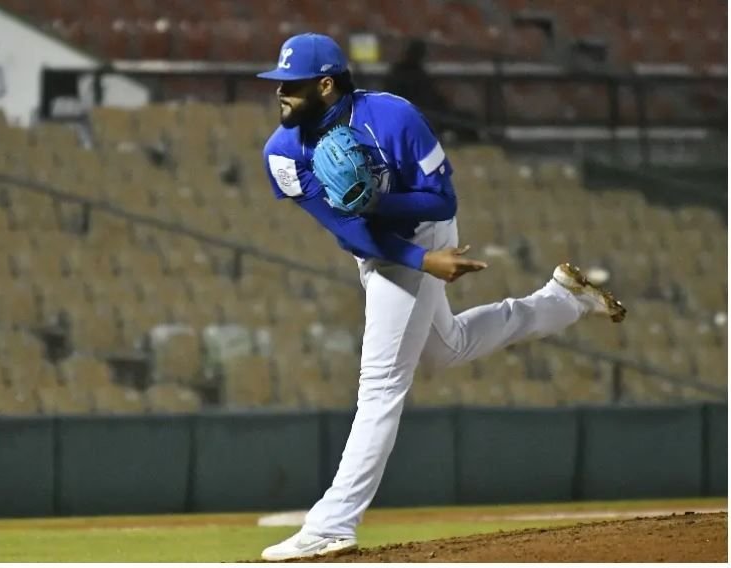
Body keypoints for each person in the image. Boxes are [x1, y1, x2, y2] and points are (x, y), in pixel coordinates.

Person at [256, 33, 626, 561]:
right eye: (277, 84)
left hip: (427, 231)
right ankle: (562, 301)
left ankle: (332, 524)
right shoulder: (282, 154)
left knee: (382, 383)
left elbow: (441, 198)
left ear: (325, 83)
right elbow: (348, 233)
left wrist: (394, 215)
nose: (280, 94)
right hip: (388, 248)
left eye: (290, 85)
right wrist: (414, 260)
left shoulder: (393, 117)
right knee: (444, 348)